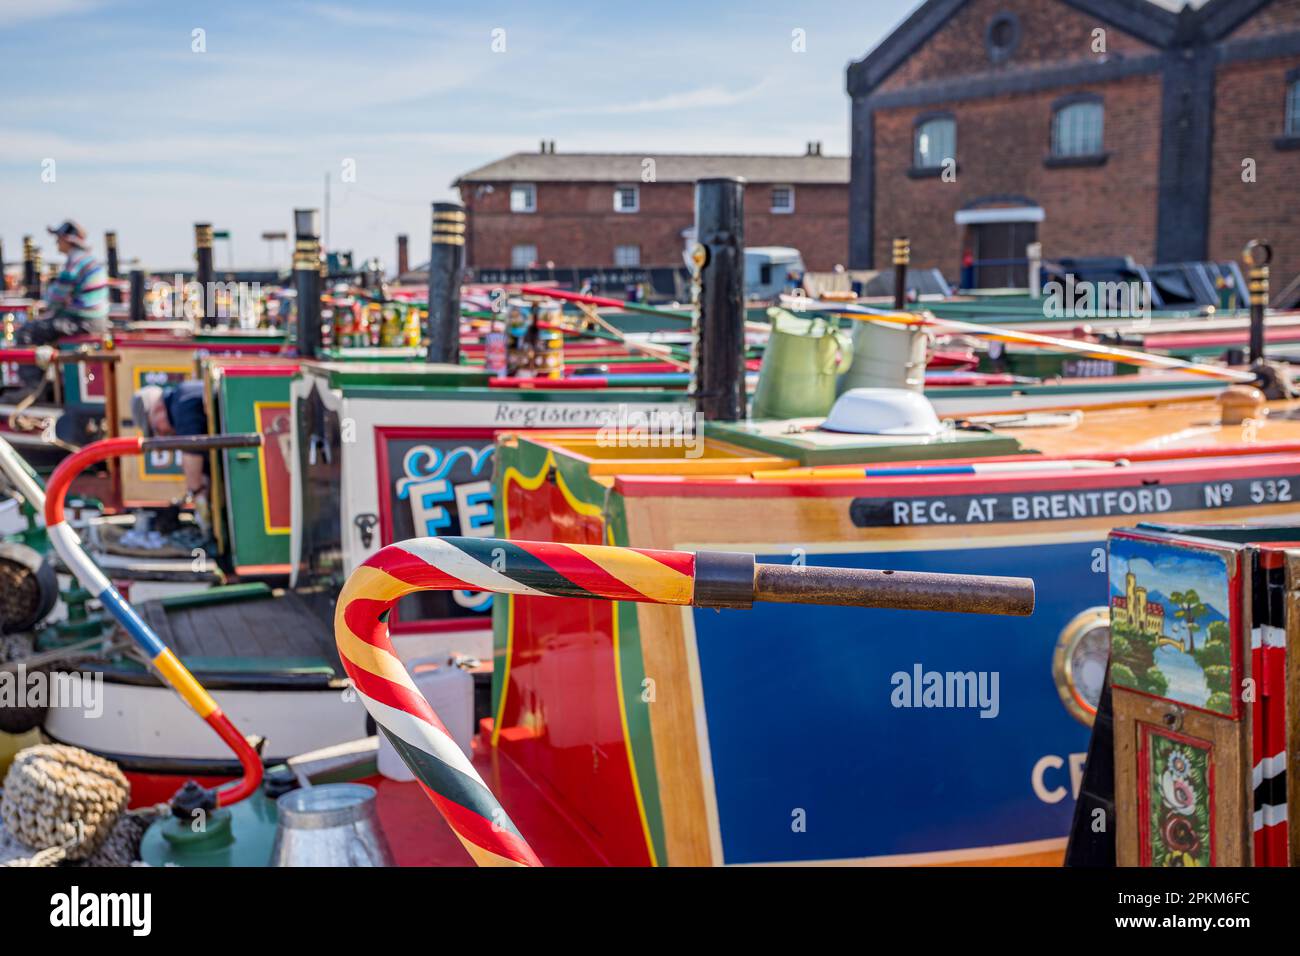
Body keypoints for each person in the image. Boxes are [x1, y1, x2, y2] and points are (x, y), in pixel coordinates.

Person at [20, 221, 109, 345]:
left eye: (58, 238)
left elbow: (57, 298)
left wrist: (44, 305)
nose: (56, 242)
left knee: (27, 331)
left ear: (67, 239)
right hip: (97, 321)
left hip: (84, 322)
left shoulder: (75, 262)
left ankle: (33, 363)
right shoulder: (88, 260)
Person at [131, 381, 209, 499]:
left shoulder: (181, 404)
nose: (161, 436)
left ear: (159, 410)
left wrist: (197, 493)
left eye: (155, 430)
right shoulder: (181, 399)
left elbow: (192, 456)